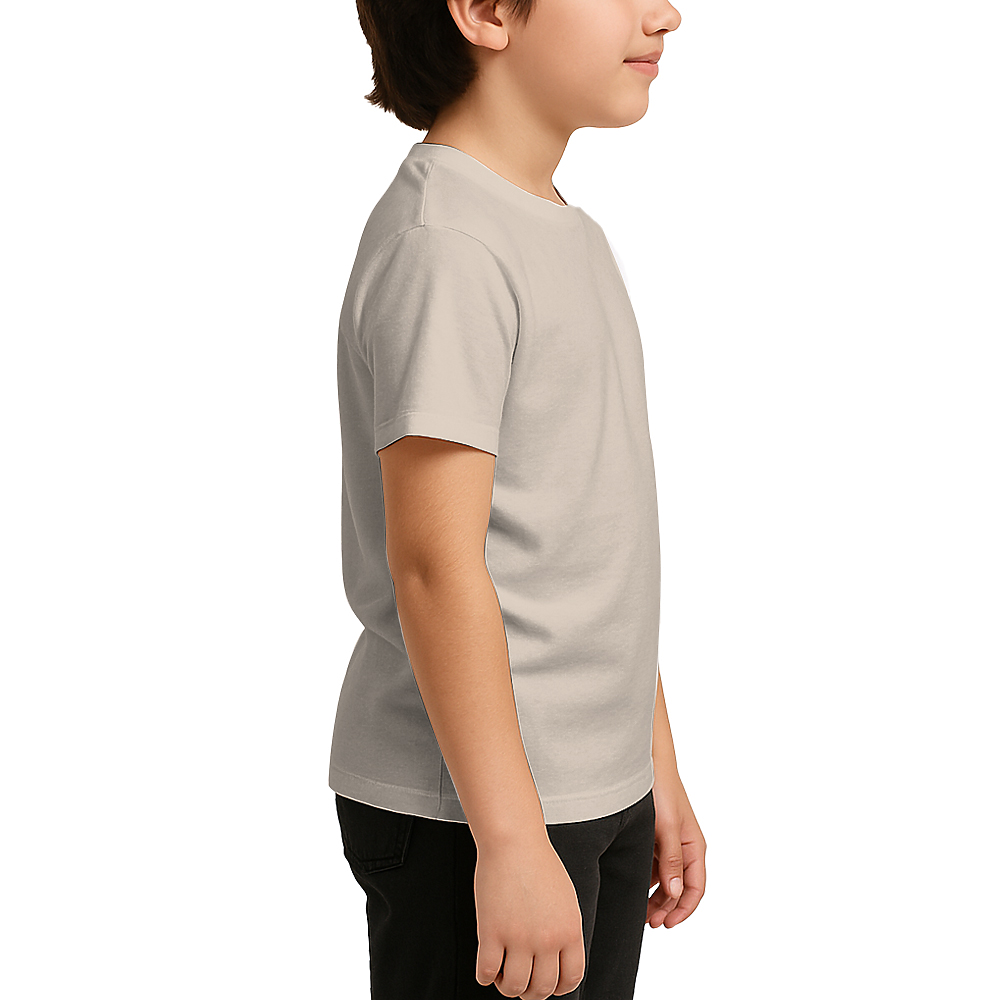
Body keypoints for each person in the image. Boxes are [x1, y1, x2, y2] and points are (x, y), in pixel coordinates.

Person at [329, 0, 705, 997]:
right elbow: (433, 563)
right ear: (488, 11)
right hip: (473, 812)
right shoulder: (447, 243)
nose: (665, 14)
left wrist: (651, 762)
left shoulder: (563, 231)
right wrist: (508, 837)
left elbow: (587, 542)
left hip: (584, 790)